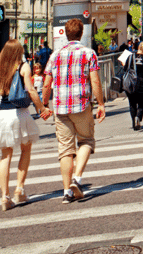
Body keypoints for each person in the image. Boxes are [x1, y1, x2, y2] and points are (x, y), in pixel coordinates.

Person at [41, 18, 105, 203]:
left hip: (60, 108)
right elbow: (94, 81)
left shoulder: (55, 55)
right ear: (81, 33)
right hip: (82, 105)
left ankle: (67, 191)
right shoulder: (88, 53)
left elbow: (46, 84)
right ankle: (77, 178)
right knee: (86, 141)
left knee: (65, 151)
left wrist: (45, 105)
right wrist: (100, 103)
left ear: (66, 34)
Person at [0, 38, 46, 211]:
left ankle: (4, 197)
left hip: (2, 114)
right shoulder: (23, 67)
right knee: (25, 149)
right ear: (18, 52)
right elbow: (30, 89)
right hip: (19, 113)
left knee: (5, 156)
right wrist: (41, 108)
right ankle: (19, 190)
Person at [116, 39, 143, 130]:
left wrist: (124, 64)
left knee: (132, 104)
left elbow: (125, 68)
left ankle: (134, 123)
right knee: (141, 103)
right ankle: (138, 117)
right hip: (141, 83)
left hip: (130, 84)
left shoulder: (130, 56)